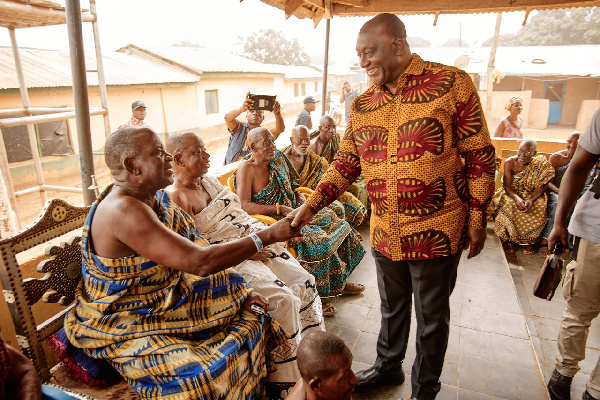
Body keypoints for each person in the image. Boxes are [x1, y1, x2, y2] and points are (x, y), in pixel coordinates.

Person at [290, 13, 496, 400]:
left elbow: (480, 156)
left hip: (438, 229)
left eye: (369, 52)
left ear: (398, 45)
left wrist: (478, 216)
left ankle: (425, 390)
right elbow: (346, 162)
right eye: (359, 55)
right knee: (392, 308)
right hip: (386, 231)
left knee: (432, 319)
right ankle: (388, 369)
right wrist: (311, 205)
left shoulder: (452, 84)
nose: (363, 62)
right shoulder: (364, 104)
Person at [64, 126, 302, 400]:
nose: (168, 157)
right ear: (132, 166)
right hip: (128, 319)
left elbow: (198, 246)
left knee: (254, 315)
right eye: (157, 153)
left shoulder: (158, 201)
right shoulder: (123, 210)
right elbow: (198, 262)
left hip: (166, 302)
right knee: (200, 376)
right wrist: (268, 234)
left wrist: (241, 293)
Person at [165, 131, 325, 397]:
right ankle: (286, 382)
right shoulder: (175, 198)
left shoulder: (209, 181)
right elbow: (197, 251)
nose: (206, 156)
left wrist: (261, 236)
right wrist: (249, 249)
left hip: (255, 238)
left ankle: (314, 359)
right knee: (284, 300)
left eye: (206, 150)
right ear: (178, 159)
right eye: (198, 152)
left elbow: (236, 212)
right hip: (231, 258)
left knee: (305, 281)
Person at [234, 127, 366, 318]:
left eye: (273, 141)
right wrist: (279, 209)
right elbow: (244, 205)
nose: (273, 146)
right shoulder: (246, 168)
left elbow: (294, 186)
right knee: (317, 241)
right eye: (266, 143)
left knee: (337, 222)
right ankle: (321, 295)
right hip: (275, 220)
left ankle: (339, 280)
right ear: (253, 146)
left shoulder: (278, 158)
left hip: (292, 210)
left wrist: (299, 201)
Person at [546, 108, 600, 400]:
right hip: (597, 232)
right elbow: (579, 167)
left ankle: (595, 391)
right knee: (580, 310)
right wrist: (559, 222)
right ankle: (563, 374)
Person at [284, 125, 366, 227]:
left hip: (316, 189)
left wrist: (348, 172)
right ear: (292, 140)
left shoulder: (312, 157)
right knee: (338, 207)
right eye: (300, 140)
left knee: (352, 200)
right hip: (300, 196)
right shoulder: (281, 159)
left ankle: (349, 229)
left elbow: (329, 172)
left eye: (307, 140)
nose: (304, 143)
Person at [492, 139, 555, 255]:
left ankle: (527, 242)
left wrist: (530, 200)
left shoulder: (539, 165)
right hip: (512, 193)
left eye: (527, 152)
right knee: (508, 204)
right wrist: (517, 198)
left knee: (540, 205)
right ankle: (508, 240)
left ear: (534, 153)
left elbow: (539, 188)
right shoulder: (510, 162)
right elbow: (507, 186)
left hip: (532, 195)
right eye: (520, 151)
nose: (522, 155)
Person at [540, 132, 592, 255]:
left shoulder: (585, 161)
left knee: (579, 206)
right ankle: (546, 240)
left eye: (577, 142)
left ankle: (566, 241)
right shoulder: (556, 157)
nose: (572, 145)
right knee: (558, 204)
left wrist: (576, 196)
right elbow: (548, 182)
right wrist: (562, 192)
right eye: (569, 141)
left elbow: (586, 182)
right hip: (556, 191)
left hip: (577, 193)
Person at [309, 115, 369, 209]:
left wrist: (349, 174)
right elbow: (315, 174)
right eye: (328, 127)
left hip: (333, 172)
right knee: (355, 188)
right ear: (320, 128)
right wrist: (342, 177)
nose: (332, 130)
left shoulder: (334, 138)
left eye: (334, 127)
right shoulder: (315, 146)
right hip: (320, 181)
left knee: (363, 180)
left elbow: (341, 158)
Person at [286, 331, 356, 400]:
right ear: (316, 386)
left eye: (350, 368)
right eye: (344, 377)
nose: (354, 379)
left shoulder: (310, 377)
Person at [224, 94, 284, 165]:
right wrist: (241, 109)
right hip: (230, 170)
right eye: (252, 111)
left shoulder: (265, 134)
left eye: (259, 112)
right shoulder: (238, 127)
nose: (255, 113)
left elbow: (279, 129)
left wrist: (277, 113)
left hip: (250, 172)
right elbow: (227, 118)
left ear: (263, 118)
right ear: (246, 116)